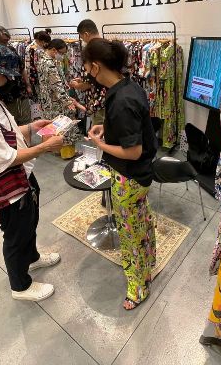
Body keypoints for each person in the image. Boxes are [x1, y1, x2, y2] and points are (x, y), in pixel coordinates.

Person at [0, 43, 64, 301]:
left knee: (28, 223)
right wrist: (44, 147)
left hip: (22, 176)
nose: (8, 81)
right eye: (5, 75)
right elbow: (1, 160)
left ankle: (32, 258)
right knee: (16, 235)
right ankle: (20, 286)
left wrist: (30, 128)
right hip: (8, 184)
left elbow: (5, 133)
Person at [84, 38, 158, 310]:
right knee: (141, 222)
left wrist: (100, 144)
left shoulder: (121, 100)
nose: (86, 72)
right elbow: (133, 127)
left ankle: (137, 288)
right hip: (140, 174)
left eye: (86, 66)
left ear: (95, 66)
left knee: (130, 234)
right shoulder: (127, 86)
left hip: (129, 175)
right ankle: (148, 264)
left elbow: (133, 151)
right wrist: (107, 128)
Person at [0, 25, 32, 125]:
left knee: (26, 121)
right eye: (3, 41)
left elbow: (22, 68)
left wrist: (28, 85)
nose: (6, 44)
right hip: (4, 97)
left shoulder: (12, 50)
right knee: (11, 124)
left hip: (20, 92)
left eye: (7, 41)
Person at [70, 19, 107, 125]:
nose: (83, 40)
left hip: (98, 101)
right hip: (110, 98)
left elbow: (89, 83)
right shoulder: (108, 45)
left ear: (86, 34)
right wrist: (83, 79)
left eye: (82, 37)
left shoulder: (90, 51)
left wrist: (77, 85)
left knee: (99, 130)